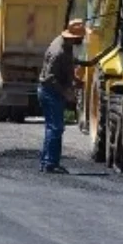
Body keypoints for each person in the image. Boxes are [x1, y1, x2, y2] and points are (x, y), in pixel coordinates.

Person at [37, 18, 86, 173]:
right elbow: (50, 77)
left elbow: (66, 66)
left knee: (53, 128)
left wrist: (75, 80)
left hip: (51, 90)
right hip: (49, 91)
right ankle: (50, 163)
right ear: (75, 37)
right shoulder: (58, 51)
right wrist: (66, 92)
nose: (82, 40)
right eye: (81, 37)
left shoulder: (66, 45)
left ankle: (48, 162)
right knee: (56, 128)